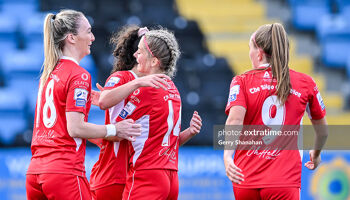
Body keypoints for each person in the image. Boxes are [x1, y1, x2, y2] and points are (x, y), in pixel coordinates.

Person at [25, 10, 141, 200]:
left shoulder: (47, 75)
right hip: (64, 173)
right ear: (71, 37)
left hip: (35, 172)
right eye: (88, 31)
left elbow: (58, 129)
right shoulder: (79, 75)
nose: (93, 37)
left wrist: (104, 138)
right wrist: (114, 129)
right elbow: (75, 128)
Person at [90, 25, 202, 200]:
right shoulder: (173, 90)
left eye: (140, 52)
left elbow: (116, 131)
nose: (135, 55)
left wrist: (78, 128)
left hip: (144, 176)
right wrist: (189, 133)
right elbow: (163, 141)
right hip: (170, 177)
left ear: (154, 61)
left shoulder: (143, 88)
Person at [223, 23, 328, 200]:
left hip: (245, 179)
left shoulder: (241, 81)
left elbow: (234, 121)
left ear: (259, 52)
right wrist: (316, 154)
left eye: (250, 48)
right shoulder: (305, 83)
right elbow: (323, 132)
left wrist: (227, 156)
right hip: (284, 181)